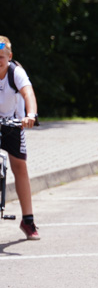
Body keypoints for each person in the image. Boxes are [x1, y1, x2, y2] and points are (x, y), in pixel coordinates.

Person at [0, 36, 40, 240]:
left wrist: (30, 115)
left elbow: (28, 94)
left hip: (14, 124)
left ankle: (28, 220)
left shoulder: (16, 73)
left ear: (9, 57)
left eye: (1, 57)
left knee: (20, 167)